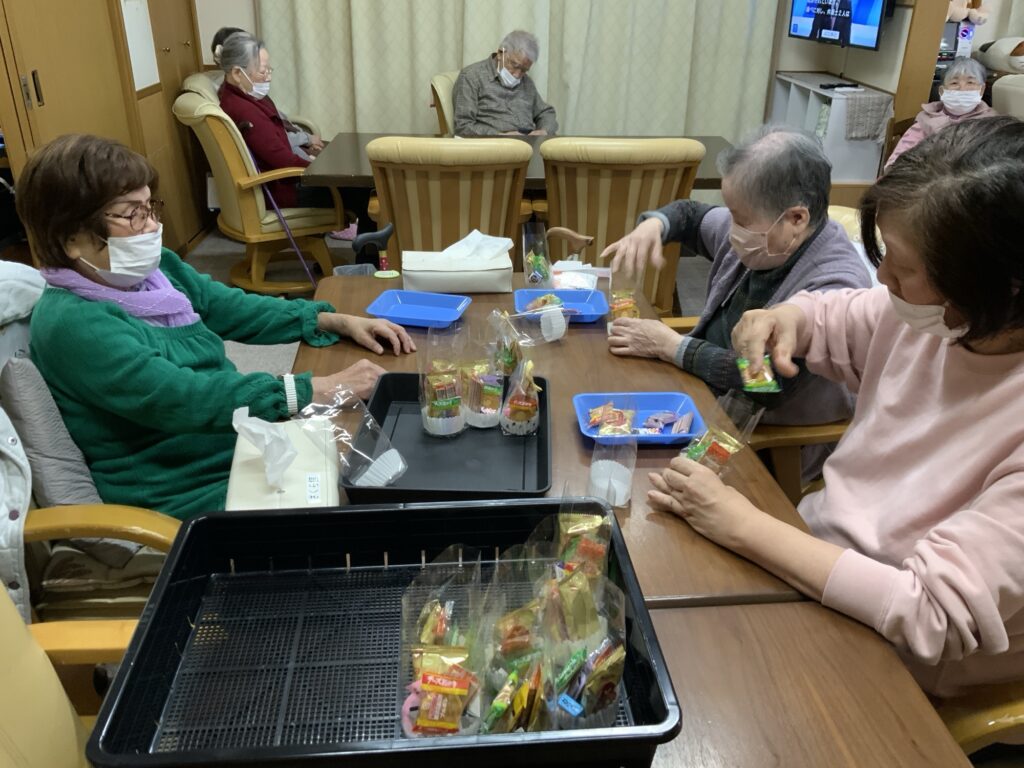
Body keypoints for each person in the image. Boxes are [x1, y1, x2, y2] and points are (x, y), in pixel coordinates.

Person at [650, 116, 1024, 697]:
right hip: (810, 560)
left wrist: (742, 524)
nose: (882, 277)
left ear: (997, 287)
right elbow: (834, 314)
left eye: (903, 269)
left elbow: (926, 613)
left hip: (893, 659)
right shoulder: (925, 318)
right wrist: (787, 316)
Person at [21, 134, 415, 520]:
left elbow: (228, 307)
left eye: (150, 207)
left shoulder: (155, 274)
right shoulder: (74, 322)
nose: (152, 226)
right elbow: (182, 397)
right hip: (182, 491)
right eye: (132, 214)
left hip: (236, 445)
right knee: (379, 497)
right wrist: (313, 389)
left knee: (388, 461)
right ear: (70, 238)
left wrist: (326, 319)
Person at [602, 126, 871, 480]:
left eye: (741, 220)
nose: (731, 231)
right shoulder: (764, 237)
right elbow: (690, 214)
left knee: (625, 470)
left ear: (796, 218)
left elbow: (767, 382)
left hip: (764, 437)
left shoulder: (835, 286)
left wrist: (673, 347)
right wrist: (655, 226)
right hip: (703, 394)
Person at [208, 26, 325, 163]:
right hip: (291, 173)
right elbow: (283, 161)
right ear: (237, 73)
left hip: (295, 158)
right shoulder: (245, 111)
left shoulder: (248, 96)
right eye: (263, 72)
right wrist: (315, 167)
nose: (268, 78)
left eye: (269, 70)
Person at [885, 57, 994, 170]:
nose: (962, 89)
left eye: (970, 82)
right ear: (942, 91)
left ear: (982, 89)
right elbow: (897, 162)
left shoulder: (992, 124)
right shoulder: (926, 120)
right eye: (954, 83)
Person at [452, 30, 557, 137]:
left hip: (527, 143)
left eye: (524, 70)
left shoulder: (526, 82)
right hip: (494, 143)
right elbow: (463, 126)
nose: (517, 75)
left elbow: (545, 112)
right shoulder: (471, 77)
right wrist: (500, 136)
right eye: (515, 65)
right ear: (500, 54)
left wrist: (544, 131)